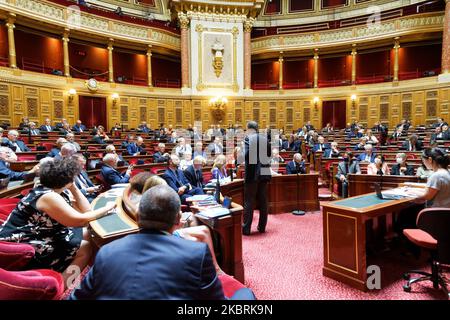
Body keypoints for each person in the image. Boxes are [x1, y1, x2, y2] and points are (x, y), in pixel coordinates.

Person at [69, 185, 254, 300]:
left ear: (138, 216)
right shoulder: (196, 253)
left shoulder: (106, 252)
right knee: (246, 296)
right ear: (178, 219)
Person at [0, 157, 116, 287]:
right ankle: (64, 285)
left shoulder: (54, 190)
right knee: (85, 247)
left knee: (89, 233)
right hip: (24, 242)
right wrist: (108, 207)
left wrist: (74, 188)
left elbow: (86, 210)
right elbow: (79, 220)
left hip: (43, 232)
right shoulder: (48, 196)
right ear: (66, 179)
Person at [242, 121, 271, 236]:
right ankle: (262, 227)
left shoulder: (249, 138)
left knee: (249, 200)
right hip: (264, 171)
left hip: (252, 173)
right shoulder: (264, 138)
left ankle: (246, 229)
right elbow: (269, 154)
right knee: (263, 200)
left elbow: (247, 155)